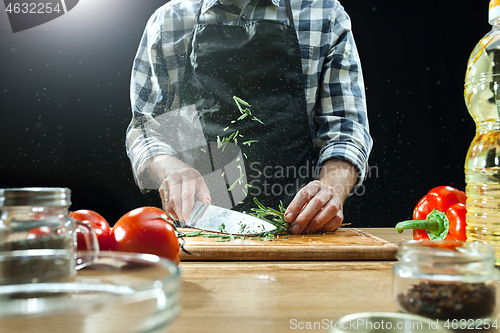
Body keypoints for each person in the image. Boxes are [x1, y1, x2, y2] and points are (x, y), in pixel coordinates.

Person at [126, 0, 372, 235]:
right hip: (198, 231)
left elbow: (346, 130)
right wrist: (170, 168)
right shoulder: (168, 22)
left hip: (301, 227)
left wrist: (331, 190)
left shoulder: (323, 14)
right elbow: (146, 128)